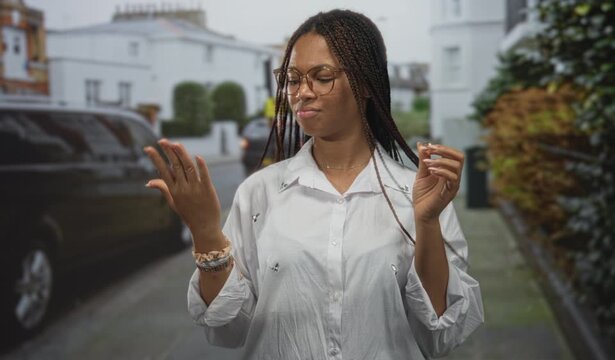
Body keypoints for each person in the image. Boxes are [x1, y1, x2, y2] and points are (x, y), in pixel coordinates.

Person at [144, 9, 483, 359]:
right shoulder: (259, 193)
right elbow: (227, 327)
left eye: (321, 77)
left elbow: (442, 331)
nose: (302, 92)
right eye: (292, 79)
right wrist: (205, 231)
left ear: (365, 83)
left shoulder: (416, 196)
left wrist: (426, 223)